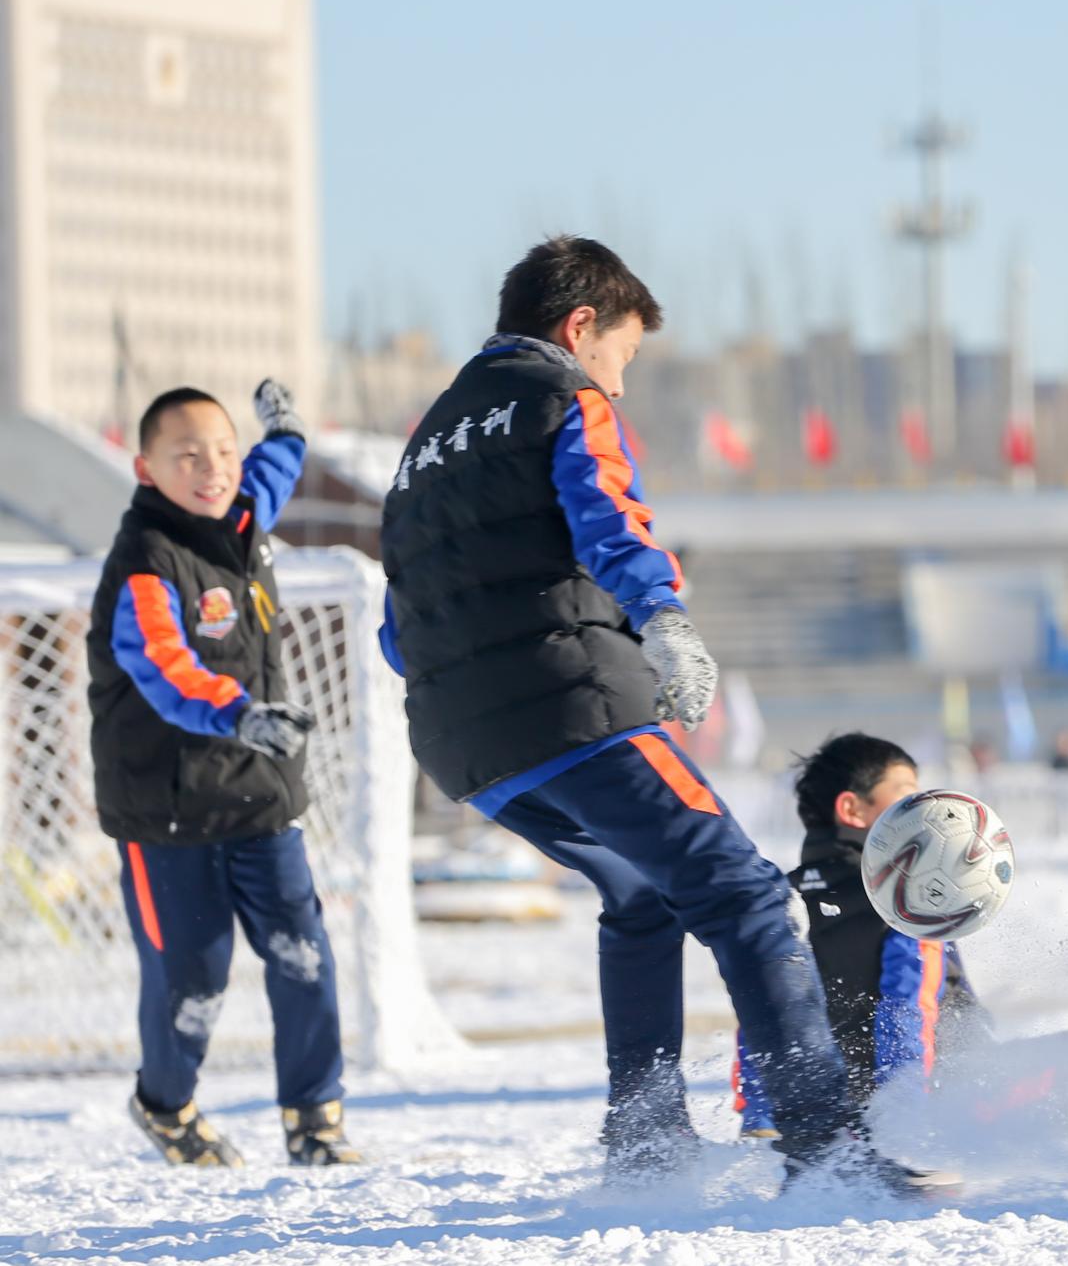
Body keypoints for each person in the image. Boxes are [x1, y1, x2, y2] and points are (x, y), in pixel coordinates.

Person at [376, 235, 919, 1193]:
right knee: (744, 895)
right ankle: (828, 1149)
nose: (620, 383)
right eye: (623, 353)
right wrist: (665, 620)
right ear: (580, 327)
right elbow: (610, 517)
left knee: (638, 897)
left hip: (466, 748)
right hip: (575, 711)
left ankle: (647, 1145)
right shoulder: (563, 398)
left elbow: (396, 623)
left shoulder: (423, 449)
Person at [86, 382, 359, 1168]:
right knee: (192, 984)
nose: (212, 469)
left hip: (261, 794)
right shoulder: (145, 561)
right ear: (146, 468)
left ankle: (316, 1118)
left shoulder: (243, 511)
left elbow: (272, 469)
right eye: (187, 456)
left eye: (223, 451)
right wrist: (240, 714)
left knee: (303, 954)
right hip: (165, 810)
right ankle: (164, 1104)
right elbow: (163, 666)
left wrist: (288, 429)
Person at [735, 734, 989, 1137]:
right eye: (906, 794)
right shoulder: (906, 897)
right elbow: (909, 1007)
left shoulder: (782, 897)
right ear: (852, 808)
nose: (922, 806)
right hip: (949, 1103)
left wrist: (760, 1117)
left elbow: (760, 1010)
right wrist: (908, 1122)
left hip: (840, 1115)